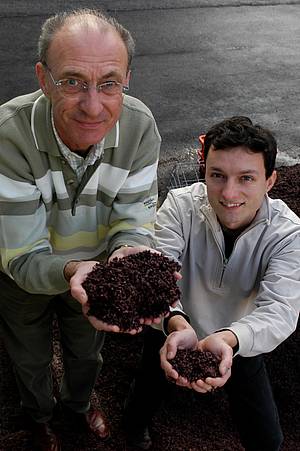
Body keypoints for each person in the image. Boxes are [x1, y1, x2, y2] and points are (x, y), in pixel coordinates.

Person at [0, 8, 162, 451]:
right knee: (28, 355)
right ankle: (37, 416)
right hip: (20, 273)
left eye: (109, 82)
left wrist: (128, 256)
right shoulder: (7, 137)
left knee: (87, 351)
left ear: (128, 77)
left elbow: (133, 219)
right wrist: (73, 269)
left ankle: (78, 404)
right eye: (72, 81)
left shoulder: (139, 127)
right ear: (42, 77)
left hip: (97, 268)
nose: (94, 105)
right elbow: (22, 256)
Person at [123, 116, 300, 450]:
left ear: (270, 180)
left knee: (266, 435)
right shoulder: (179, 206)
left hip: (240, 336)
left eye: (246, 178)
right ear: (205, 173)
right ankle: (134, 427)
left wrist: (231, 339)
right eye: (217, 176)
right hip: (174, 323)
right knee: (148, 383)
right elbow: (154, 277)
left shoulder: (288, 234)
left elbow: (280, 310)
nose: (229, 193)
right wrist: (177, 322)